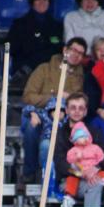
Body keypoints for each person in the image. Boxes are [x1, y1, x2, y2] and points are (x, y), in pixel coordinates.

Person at [21, 37, 87, 181]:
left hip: (63, 119)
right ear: (65, 50)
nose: (76, 55)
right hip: (39, 113)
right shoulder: (44, 69)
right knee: (31, 128)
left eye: (80, 53)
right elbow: (28, 97)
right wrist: (54, 96)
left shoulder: (81, 77)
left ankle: (56, 177)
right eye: (73, 50)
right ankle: (30, 171)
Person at [54, 92, 104, 207]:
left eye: (81, 108)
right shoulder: (59, 133)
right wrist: (81, 173)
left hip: (95, 174)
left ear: (85, 111)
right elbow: (60, 163)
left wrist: (94, 169)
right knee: (94, 185)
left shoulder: (95, 132)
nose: (77, 111)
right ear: (67, 110)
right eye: (73, 108)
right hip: (71, 180)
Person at [7, 0, 63, 74]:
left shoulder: (57, 26)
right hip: (24, 67)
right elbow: (14, 48)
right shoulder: (19, 24)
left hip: (49, 68)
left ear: (49, 2)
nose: (42, 2)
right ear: (32, 2)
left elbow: (57, 48)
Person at [65, 122, 104, 206]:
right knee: (71, 179)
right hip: (80, 172)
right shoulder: (73, 150)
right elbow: (69, 160)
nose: (84, 139)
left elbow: (101, 157)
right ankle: (69, 196)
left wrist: (96, 166)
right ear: (75, 139)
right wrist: (77, 158)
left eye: (85, 136)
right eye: (81, 137)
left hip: (94, 169)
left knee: (103, 173)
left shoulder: (95, 147)